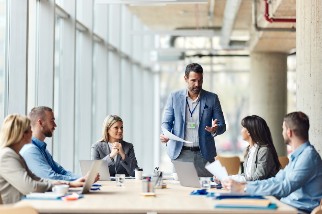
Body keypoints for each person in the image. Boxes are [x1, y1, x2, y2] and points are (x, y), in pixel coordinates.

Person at [223, 111, 322, 213]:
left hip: (298, 210)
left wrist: (244, 189)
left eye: (283, 129)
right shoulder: (298, 156)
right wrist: (244, 186)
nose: (282, 132)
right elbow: (276, 180)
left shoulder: (308, 157)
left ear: (289, 132)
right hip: (286, 206)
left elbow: (285, 187)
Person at [160, 63, 226, 177]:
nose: (197, 84)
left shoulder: (212, 98)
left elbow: (222, 125)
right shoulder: (174, 97)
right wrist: (166, 134)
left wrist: (215, 129)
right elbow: (166, 122)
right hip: (180, 153)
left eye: (200, 80)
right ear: (185, 78)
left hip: (204, 153)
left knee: (207, 189)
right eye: (193, 80)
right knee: (182, 191)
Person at [0, 114, 84, 204]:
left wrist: (68, 184)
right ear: (22, 134)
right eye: (30, 130)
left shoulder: (16, 155)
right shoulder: (7, 155)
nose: (32, 133)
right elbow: (30, 187)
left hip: (24, 205)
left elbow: (37, 179)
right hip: (16, 209)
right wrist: (55, 186)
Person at [20, 106, 80, 181]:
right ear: (40, 122)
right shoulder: (30, 149)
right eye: (52, 121)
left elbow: (61, 171)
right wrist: (77, 180)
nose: (55, 125)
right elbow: (50, 177)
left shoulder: (42, 149)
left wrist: (83, 178)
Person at [229, 115, 280, 182]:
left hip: (262, 191)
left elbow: (258, 177)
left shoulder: (264, 151)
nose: (241, 130)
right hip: (250, 189)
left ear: (249, 131)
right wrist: (228, 178)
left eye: (243, 127)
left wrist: (232, 179)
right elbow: (247, 175)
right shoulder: (248, 150)